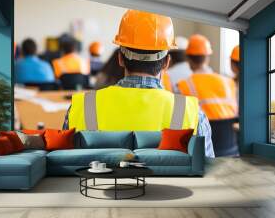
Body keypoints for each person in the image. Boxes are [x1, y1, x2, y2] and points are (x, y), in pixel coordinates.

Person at [63, 10, 215, 158]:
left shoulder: (82, 107)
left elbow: (64, 168)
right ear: (166, 63)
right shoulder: (193, 114)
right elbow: (208, 175)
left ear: (120, 59)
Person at [178, 34, 238, 157]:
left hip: (204, 152)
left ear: (188, 59)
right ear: (207, 57)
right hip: (231, 150)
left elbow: (179, 125)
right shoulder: (229, 82)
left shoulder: (183, 86)